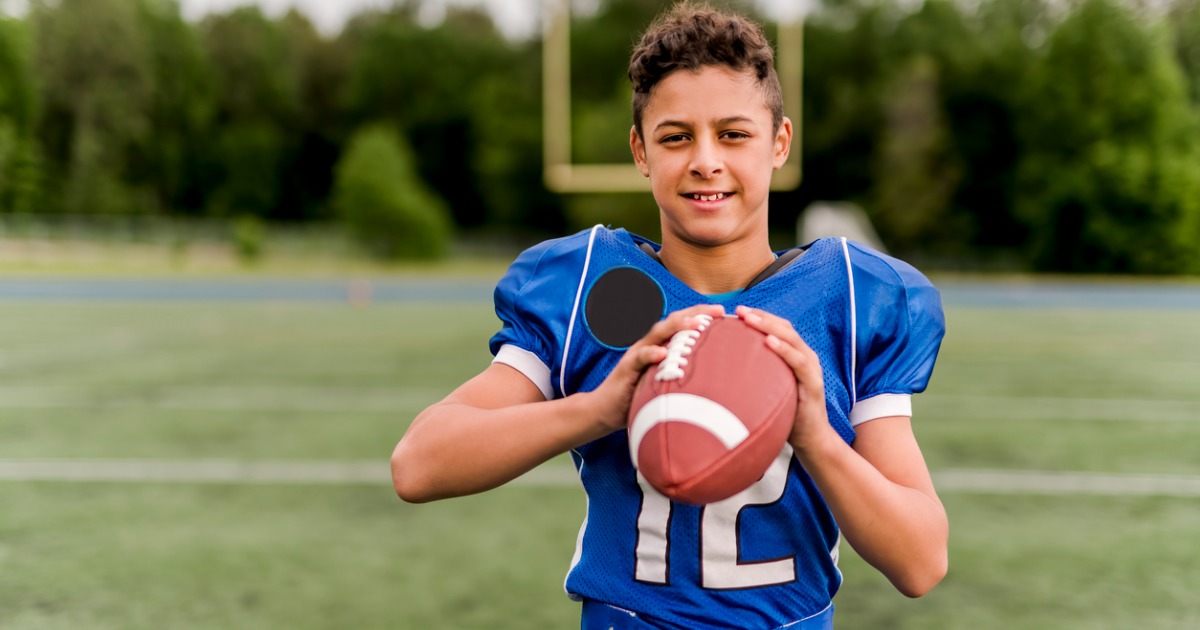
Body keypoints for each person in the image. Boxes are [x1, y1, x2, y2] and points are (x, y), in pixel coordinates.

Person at [391, 3, 948, 628]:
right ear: (640, 150)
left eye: (733, 134)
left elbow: (920, 561)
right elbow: (418, 464)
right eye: (676, 136)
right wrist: (598, 409)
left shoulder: (848, 294)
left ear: (779, 143)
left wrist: (815, 436)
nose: (705, 160)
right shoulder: (592, 288)